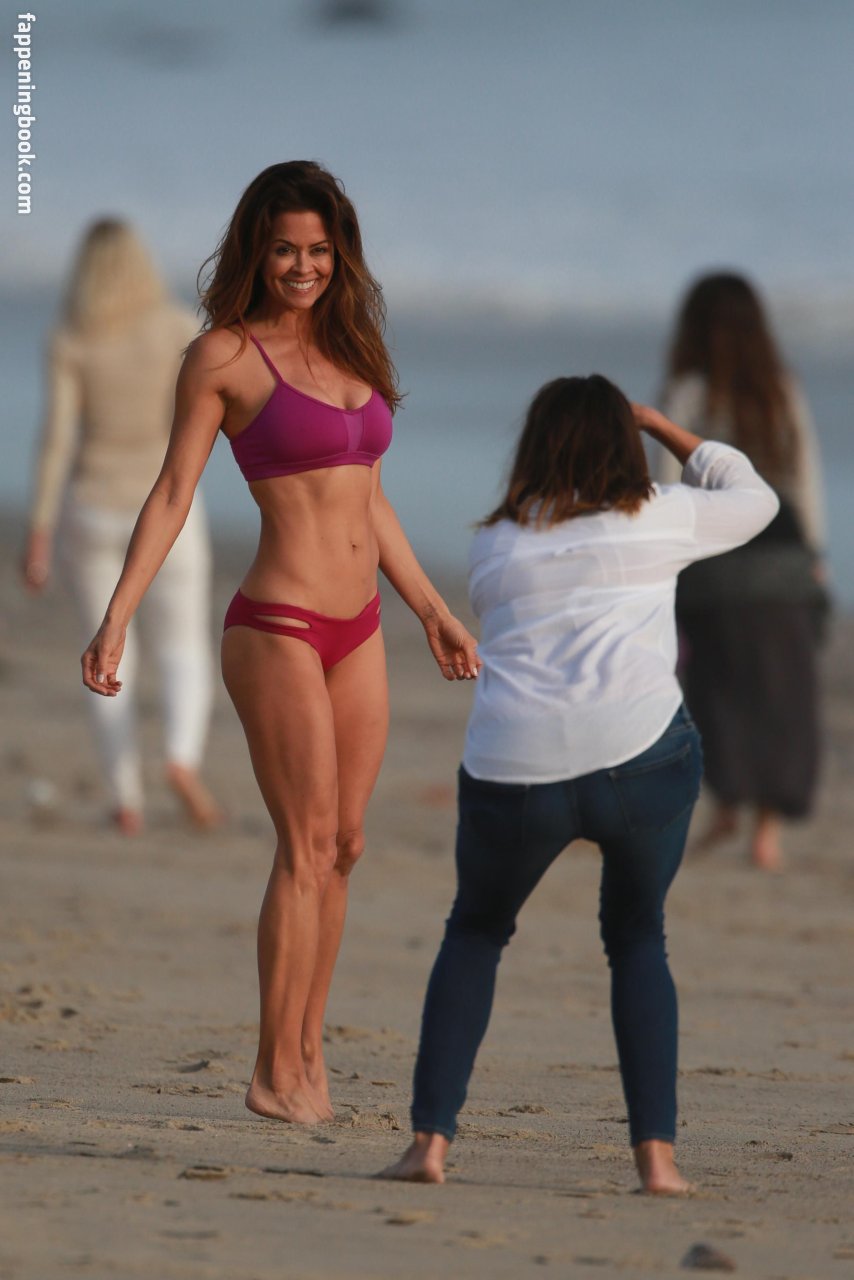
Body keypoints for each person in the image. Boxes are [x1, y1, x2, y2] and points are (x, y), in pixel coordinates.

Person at [80, 162, 481, 1126]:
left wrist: (430, 608)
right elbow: (172, 494)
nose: (303, 267)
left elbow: (369, 500)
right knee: (303, 842)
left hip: (360, 628)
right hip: (278, 626)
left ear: (340, 254)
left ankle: (308, 1051)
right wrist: (118, 615)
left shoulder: (353, 348)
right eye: (285, 250)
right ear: (255, 252)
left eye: (319, 250)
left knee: (344, 846)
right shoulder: (223, 357)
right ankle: (271, 1067)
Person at [380, 376, 779, 1193]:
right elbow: (755, 498)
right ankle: (657, 1162)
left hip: (514, 768)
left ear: (534, 446)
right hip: (640, 762)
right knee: (637, 939)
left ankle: (429, 1147)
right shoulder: (661, 514)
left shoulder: (496, 541)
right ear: (623, 445)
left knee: (476, 932)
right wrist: (662, 425)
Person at [22, 218, 221, 836]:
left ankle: (126, 799)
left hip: (91, 510)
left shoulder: (71, 336)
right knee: (183, 645)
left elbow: (57, 438)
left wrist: (38, 530)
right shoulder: (177, 327)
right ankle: (181, 758)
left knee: (107, 653)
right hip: (168, 509)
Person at [658, 272, 828, 871]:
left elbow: (667, 478)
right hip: (783, 557)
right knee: (785, 695)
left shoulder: (687, 391)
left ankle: (727, 805)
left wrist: (664, 559)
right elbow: (804, 477)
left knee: (716, 686)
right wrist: (816, 557)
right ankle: (766, 832)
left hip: (715, 560)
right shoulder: (782, 389)